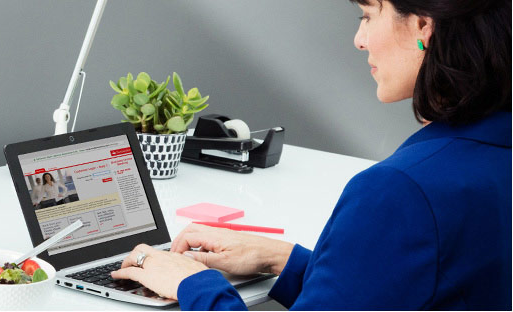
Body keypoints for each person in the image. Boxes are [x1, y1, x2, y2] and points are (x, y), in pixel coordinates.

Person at [109, 0, 511, 310]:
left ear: (424, 24)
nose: (359, 39)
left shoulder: (401, 192)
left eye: (368, 15)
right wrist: (284, 260)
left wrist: (189, 283)